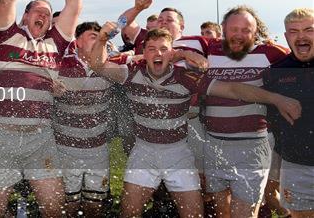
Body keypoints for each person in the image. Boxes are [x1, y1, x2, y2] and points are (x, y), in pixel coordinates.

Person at [88, 25, 301, 218]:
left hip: (177, 152)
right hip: (143, 151)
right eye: (152, 49)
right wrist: (101, 39)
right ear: (145, 53)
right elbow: (97, 65)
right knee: (129, 212)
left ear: (172, 53)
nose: (158, 53)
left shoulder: (187, 77)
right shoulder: (132, 73)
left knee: (194, 214)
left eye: (164, 49)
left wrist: (276, 98)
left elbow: (232, 89)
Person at [0, 0, 82, 217]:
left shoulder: (56, 43)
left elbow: (74, 6)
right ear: (25, 16)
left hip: (41, 137)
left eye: (48, 14)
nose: (44, 15)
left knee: (54, 207)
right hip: (3, 136)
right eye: (38, 10)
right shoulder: (6, 37)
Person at [201, 6, 290, 217]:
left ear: (255, 31)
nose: (239, 35)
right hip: (214, 144)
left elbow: (302, 60)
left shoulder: (271, 52)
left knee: (245, 212)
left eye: (246, 30)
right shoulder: (211, 50)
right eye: (234, 29)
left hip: (253, 145)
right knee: (222, 211)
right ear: (223, 28)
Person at [53, 22, 113, 217]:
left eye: (100, 37)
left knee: (94, 208)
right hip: (66, 150)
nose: (98, 41)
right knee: (68, 207)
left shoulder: (110, 64)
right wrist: (49, 86)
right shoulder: (59, 64)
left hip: (98, 151)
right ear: (78, 42)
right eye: (92, 37)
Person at [264, 8, 314, 218]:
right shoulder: (276, 72)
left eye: (309, 30)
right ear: (286, 37)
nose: (301, 36)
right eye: (293, 31)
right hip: (295, 164)